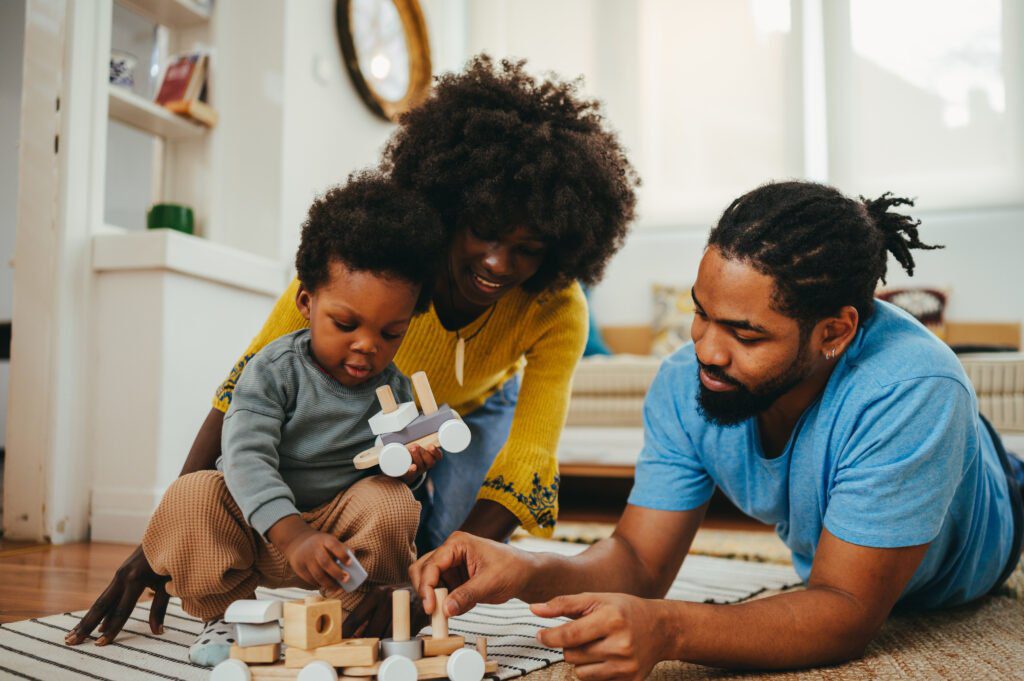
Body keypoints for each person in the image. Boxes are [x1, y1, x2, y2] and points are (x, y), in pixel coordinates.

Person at [66, 54, 639, 646]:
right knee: (348, 525)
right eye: (485, 230)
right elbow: (240, 391)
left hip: (468, 415)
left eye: (527, 247)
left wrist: (433, 584)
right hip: (375, 419)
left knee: (423, 545)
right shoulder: (368, 268)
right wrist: (154, 543)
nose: (498, 262)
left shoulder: (557, 307)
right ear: (453, 205)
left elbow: (530, 457)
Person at [408, 181, 1024, 677]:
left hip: (991, 530)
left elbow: (846, 611)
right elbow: (638, 562)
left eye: (746, 333)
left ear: (834, 331)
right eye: (701, 315)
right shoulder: (685, 382)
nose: (707, 350)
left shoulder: (912, 390)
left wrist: (669, 628)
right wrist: (527, 568)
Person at [69, 172, 447, 665]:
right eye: (346, 324)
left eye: (391, 332)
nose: (367, 345)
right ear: (306, 304)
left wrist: (410, 469)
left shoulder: (392, 389)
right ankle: (226, 616)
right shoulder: (273, 371)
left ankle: (355, 614)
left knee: (392, 502)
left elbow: (389, 482)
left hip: (336, 539)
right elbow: (246, 457)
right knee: (192, 494)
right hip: (253, 529)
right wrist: (292, 534)